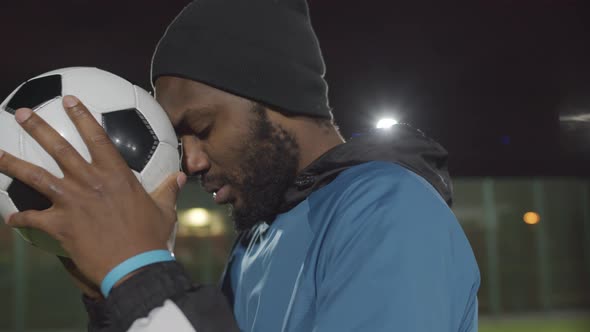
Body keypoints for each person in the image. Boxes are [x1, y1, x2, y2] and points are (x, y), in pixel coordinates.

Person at [0, 0, 480, 331]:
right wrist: (115, 304)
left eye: (202, 127)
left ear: (275, 98)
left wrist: (140, 274)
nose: (190, 161)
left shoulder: (388, 208)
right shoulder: (257, 242)